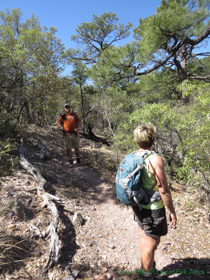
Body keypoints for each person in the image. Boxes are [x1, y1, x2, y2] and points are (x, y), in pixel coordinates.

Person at [132, 124, 177, 280]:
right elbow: (163, 190)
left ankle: (147, 267)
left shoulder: (133, 156)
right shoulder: (155, 159)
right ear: (152, 139)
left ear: (136, 140)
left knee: (145, 236)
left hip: (138, 205)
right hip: (153, 208)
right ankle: (147, 274)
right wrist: (172, 211)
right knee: (152, 242)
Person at [58, 103, 81, 168]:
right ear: (64, 108)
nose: (67, 108)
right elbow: (59, 124)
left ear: (70, 108)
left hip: (75, 134)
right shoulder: (62, 116)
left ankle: (78, 160)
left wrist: (77, 128)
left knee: (77, 148)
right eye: (66, 107)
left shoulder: (74, 115)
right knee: (69, 149)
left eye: (68, 107)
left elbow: (79, 122)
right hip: (67, 135)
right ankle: (71, 162)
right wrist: (60, 127)